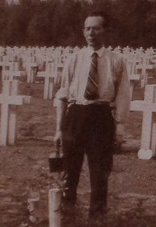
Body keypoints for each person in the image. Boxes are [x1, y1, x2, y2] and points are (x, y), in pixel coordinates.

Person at [54, 11, 131, 215]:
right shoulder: (74, 59)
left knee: (100, 172)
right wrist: (59, 129)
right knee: (70, 170)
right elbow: (62, 93)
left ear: (105, 31)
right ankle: (67, 215)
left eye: (96, 28)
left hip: (101, 117)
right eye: (87, 28)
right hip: (76, 115)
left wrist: (120, 127)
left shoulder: (116, 60)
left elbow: (123, 94)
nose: (91, 33)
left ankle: (96, 220)